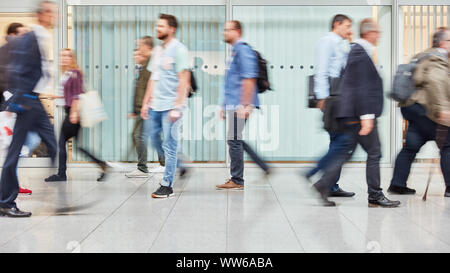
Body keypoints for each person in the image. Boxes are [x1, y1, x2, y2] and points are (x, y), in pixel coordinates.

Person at [311, 18, 400, 208]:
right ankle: (375, 195)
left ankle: (323, 184)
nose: (379, 36)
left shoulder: (356, 50)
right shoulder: (360, 52)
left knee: (345, 153)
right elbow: (361, 87)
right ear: (369, 33)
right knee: (374, 152)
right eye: (377, 32)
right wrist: (367, 116)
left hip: (353, 114)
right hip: (360, 114)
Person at [0, 1, 58, 217]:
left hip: (34, 99)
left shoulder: (41, 36)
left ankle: (56, 191)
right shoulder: (31, 37)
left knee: (53, 143)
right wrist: (20, 98)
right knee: (15, 152)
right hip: (27, 100)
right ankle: (6, 202)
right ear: (42, 14)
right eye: (51, 12)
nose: (55, 16)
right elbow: (18, 69)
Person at [388, 27, 450, 196]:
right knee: (447, 146)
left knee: (411, 147)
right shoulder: (437, 59)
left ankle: (397, 184)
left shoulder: (422, 55)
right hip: (426, 109)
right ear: (443, 43)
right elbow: (436, 83)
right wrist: (443, 110)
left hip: (411, 108)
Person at [215, 20, 270, 191]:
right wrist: (225, 105)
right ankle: (263, 166)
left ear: (237, 31)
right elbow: (232, 82)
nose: (224, 32)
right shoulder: (234, 52)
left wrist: (245, 104)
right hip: (233, 103)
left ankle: (237, 179)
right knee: (236, 139)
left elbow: (249, 78)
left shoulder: (243, 50)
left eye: (228, 30)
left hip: (240, 104)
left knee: (234, 140)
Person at [305, 14, 355, 197]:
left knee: (337, 142)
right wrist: (322, 98)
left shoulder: (339, 45)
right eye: (347, 26)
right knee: (341, 142)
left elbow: (349, 67)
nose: (349, 30)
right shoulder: (327, 42)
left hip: (339, 98)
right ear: (337, 24)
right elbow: (321, 70)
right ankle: (321, 179)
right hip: (332, 99)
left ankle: (330, 184)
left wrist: (350, 42)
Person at [141, 14, 190, 198]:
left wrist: (178, 107)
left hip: (171, 106)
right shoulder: (157, 51)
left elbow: (184, 80)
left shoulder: (179, 50)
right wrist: (146, 102)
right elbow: (153, 79)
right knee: (154, 139)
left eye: (161, 26)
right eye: (157, 26)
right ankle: (180, 163)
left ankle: (167, 184)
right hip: (155, 106)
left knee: (169, 145)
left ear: (172, 29)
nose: (157, 29)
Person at [44, 48, 109, 182]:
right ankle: (102, 164)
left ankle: (61, 174)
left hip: (73, 112)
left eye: (68, 56)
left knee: (61, 141)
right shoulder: (67, 73)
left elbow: (77, 95)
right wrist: (56, 96)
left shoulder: (76, 72)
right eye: (62, 56)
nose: (64, 58)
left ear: (72, 58)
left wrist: (74, 113)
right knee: (78, 146)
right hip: (72, 111)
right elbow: (69, 93)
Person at [0, 23, 34, 195]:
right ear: (12, 34)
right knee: (8, 149)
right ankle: (8, 189)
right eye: (22, 33)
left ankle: (12, 185)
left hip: (13, 106)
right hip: (6, 108)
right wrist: (10, 101)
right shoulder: (6, 52)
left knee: (15, 148)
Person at [126, 36, 165, 178]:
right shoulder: (146, 65)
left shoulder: (151, 64)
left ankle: (144, 167)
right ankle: (162, 163)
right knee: (147, 136)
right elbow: (140, 89)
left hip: (146, 108)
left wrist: (145, 105)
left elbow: (151, 86)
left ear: (147, 47)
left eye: (139, 46)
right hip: (142, 108)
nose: (138, 49)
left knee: (140, 136)